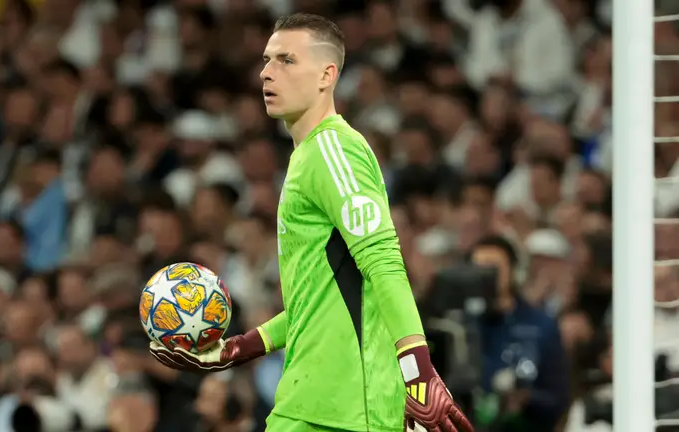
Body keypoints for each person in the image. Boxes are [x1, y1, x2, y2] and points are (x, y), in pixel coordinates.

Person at [150, 13, 474, 432]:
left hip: (345, 408)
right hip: (314, 400)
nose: (267, 72)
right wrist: (240, 347)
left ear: (327, 75)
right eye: (267, 60)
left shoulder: (333, 150)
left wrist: (418, 372)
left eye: (286, 60)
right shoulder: (307, 156)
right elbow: (317, 299)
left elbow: (384, 262)